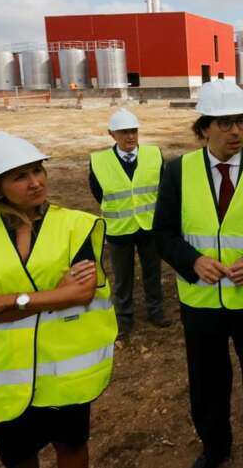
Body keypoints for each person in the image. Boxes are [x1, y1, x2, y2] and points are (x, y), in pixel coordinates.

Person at [0, 132, 116, 468]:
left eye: (38, 171)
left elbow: (82, 292)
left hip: (66, 375)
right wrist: (57, 294)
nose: (35, 182)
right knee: (19, 456)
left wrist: (4, 301)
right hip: (6, 377)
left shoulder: (76, 226)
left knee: (71, 449)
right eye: (20, 176)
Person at [153, 80, 243, 468]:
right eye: (225, 123)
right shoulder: (178, 171)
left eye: (241, 122)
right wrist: (192, 261)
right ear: (204, 128)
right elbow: (161, 233)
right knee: (207, 378)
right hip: (200, 299)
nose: (235, 131)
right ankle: (215, 445)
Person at [89, 108, 169, 338]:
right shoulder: (99, 161)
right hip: (119, 231)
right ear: (111, 134)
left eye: (133, 131)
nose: (130, 136)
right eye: (123, 132)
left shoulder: (154, 155)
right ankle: (124, 318)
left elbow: (162, 189)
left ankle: (156, 311)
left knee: (152, 272)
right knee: (122, 277)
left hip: (148, 226)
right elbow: (98, 192)